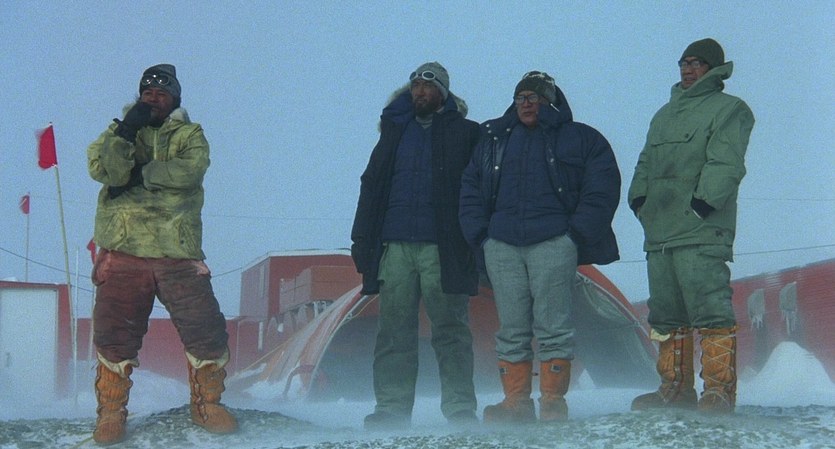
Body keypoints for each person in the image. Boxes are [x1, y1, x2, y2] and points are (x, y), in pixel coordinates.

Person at [86, 64, 237, 444]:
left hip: (177, 250)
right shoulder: (117, 133)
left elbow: (190, 172)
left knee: (204, 327)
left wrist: (141, 174)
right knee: (114, 332)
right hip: (124, 247)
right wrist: (125, 133)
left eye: (162, 93)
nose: (154, 98)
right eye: (148, 92)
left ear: (174, 99)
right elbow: (105, 170)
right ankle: (111, 412)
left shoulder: (190, 134)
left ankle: (207, 404)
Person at [459, 71, 621, 423]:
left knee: (553, 326)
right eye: (521, 98)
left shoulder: (582, 138)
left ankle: (552, 403)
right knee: (511, 328)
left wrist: (574, 236)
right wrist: (482, 237)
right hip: (502, 245)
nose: (527, 104)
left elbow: (602, 187)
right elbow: (470, 186)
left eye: (534, 98)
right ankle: (516, 402)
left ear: (551, 102)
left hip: (554, 242)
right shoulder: (493, 138)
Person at [628, 38, 755, 414]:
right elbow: (645, 163)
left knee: (710, 307)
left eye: (696, 63)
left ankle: (718, 390)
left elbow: (726, 164)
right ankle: (674, 388)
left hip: (701, 230)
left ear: (714, 69)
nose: (687, 69)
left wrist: (701, 207)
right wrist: (639, 201)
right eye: (684, 63)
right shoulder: (663, 115)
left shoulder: (730, 109)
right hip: (660, 232)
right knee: (664, 313)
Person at [351, 62, 480, 429]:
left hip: (443, 247)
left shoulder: (466, 133)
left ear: (443, 92)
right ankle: (391, 409)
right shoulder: (393, 133)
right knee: (393, 332)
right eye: (415, 86)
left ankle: (460, 408)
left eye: (428, 85)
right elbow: (371, 185)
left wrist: (475, 239)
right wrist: (361, 238)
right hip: (394, 245)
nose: (420, 91)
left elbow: (478, 189)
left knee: (451, 330)